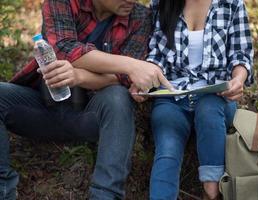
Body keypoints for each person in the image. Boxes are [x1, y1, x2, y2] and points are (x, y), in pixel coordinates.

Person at [0, 0, 172, 199]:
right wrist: (130, 64)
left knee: (117, 96)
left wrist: (79, 76)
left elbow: (122, 78)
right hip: (42, 107)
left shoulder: (140, 16)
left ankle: (105, 195)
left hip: (94, 114)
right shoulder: (63, 2)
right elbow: (64, 48)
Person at [133, 0, 254, 199]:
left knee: (208, 110)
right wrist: (144, 81)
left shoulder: (231, 4)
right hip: (173, 95)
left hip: (216, 95)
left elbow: (241, 55)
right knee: (167, 149)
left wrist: (238, 79)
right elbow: (157, 56)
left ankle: (212, 190)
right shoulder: (161, 4)